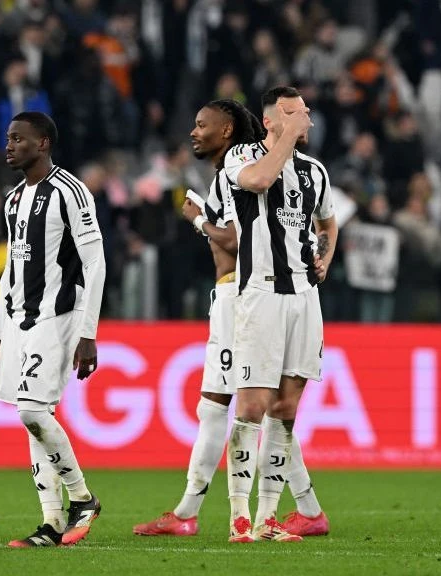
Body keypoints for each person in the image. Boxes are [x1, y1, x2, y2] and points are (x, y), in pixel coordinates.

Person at [133, 99, 329, 538]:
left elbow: (236, 244)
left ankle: (193, 513)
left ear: (226, 131)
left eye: (202, 125)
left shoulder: (241, 170)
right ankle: (307, 508)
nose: (194, 132)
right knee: (263, 408)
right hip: (244, 297)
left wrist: (199, 220)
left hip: (245, 298)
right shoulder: (234, 172)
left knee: (229, 406)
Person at [221, 86, 338, 543]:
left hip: (304, 299)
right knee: (251, 407)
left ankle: (268, 518)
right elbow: (257, 182)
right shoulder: (242, 157)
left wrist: (325, 254)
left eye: (306, 112)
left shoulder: (315, 172)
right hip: (261, 295)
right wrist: (287, 138)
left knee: (286, 410)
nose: (305, 119)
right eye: (293, 113)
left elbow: (327, 219)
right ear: (270, 121)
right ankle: (238, 518)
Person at [0, 111, 106, 547]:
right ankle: (52, 524)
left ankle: (82, 498)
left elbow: (95, 262)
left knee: (32, 411)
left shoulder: (70, 192)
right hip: (17, 322)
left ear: (44, 143)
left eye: (19, 138)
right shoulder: (14, 199)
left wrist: (88, 332)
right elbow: (10, 273)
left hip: (56, 318)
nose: (10, 145)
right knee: (34, 418)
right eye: (8, 138)